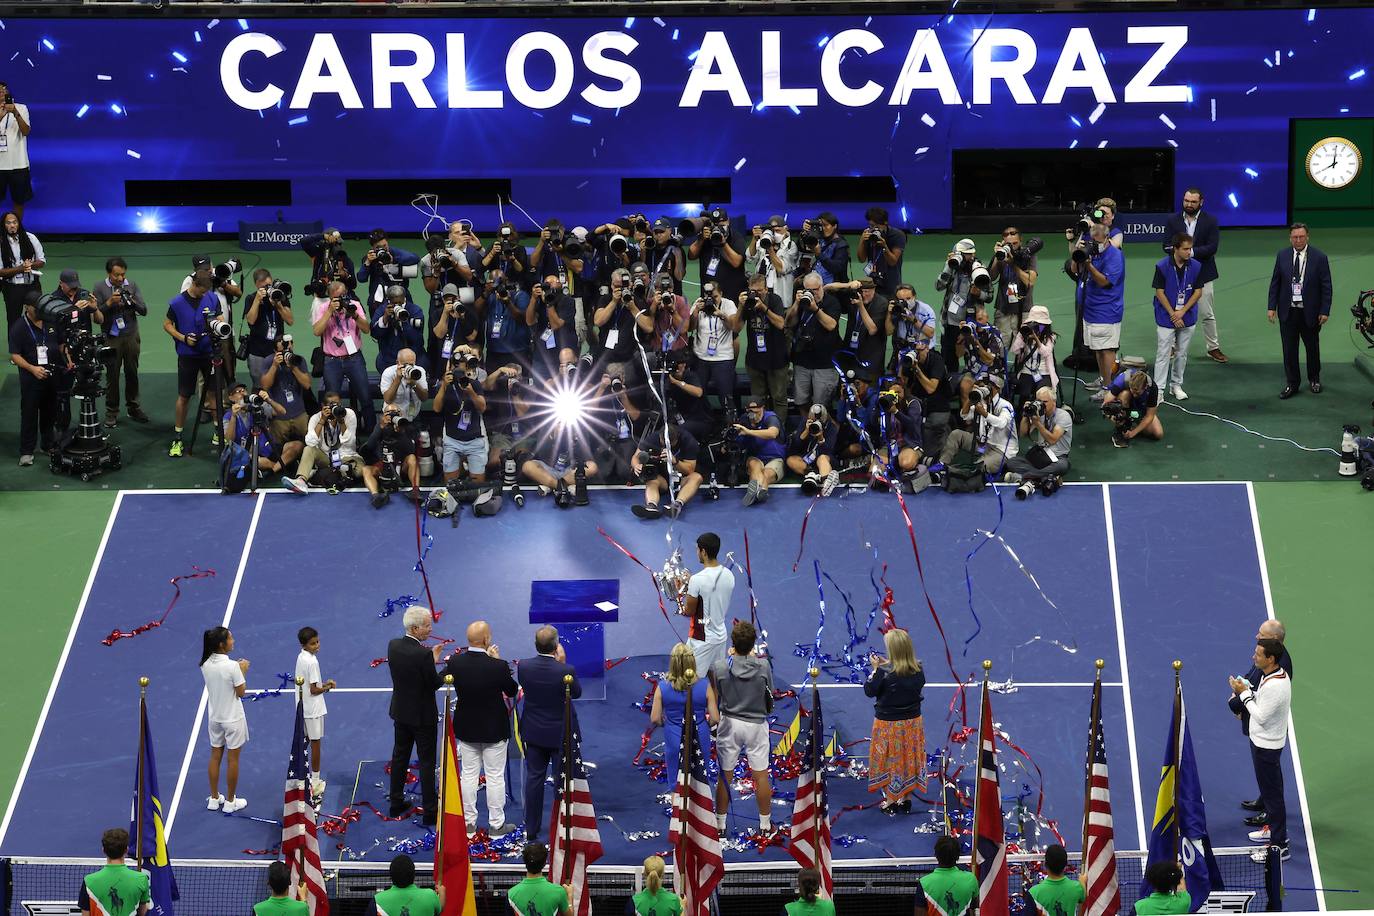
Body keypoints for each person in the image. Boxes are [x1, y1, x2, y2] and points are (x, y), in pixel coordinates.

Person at [443, 620, 519, 835]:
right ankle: (496, 825)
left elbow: (439, 679)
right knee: (495, 777)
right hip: (494, 729)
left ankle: (468, 823)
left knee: (468, 775)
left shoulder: (456, 662)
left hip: (467, 728)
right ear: (486, 639)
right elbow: (512, 691)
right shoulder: (498, 665)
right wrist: (496, 661)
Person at [517, 625, 582, 841]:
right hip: (559, 733)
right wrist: (561, 664)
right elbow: (576, 693)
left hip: (534, 732)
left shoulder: (524, 667)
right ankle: (562, 826)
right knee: (561, 780)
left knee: (534, 778)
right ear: (556, 646)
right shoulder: (565, 670)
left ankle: (532, 829)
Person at [710, 620, 774, 834]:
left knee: (725, 774)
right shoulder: (763, 666)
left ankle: (719, 824)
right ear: (753, 644)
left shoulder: (719, 667)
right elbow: (770, 695)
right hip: (756, 725)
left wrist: (732, 658)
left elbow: (716, 695)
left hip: (730, 724)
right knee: (761, 775)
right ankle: (765, 826)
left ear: (733, 643)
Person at [1231, 637, 1292, 862]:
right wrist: (1247, 690)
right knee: (1269, 795)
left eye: (1258, 654)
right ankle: (1272, 832)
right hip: (1263, 743)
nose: (1253, 657)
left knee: (1273, 799)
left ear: (1270, 659)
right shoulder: (1272, 676)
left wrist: (1243, 694)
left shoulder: (1276, 684)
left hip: (1267, 746)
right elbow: (1262, 704)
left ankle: (1279, 846)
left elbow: (1261, 716)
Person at [386, 606, 445, 824]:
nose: (430, 629)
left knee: (400, 756)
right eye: (427, 625)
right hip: (422, 717)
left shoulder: (393, 646)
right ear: (415, 628)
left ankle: (396, 803)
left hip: (401, 712)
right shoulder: (422, 655)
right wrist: (439, 664)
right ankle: (430, 812)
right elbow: (434, 684)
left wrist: (430, 659)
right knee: (427, 762)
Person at [864, 628, 926, 814]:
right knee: (909, 758)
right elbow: (903, 677)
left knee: (889, 759)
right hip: (912, 723)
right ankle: (906, 799)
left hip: (888, 725)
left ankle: (890, 800)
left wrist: (876, 669)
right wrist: (887, 664)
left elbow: (870, 691)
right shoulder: (918, 670)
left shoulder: (884, 675)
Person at [1267, 222, 1332, 399]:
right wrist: (1271, 307)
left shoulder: (1319, 257)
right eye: (1295, 237)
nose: (1298, 240)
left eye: (1301, 237)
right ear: (1290, 238)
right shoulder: (1282, 256)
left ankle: (1314, 378)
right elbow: (1275, 283)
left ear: (1307, 237)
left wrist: (1324, 310)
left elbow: (1326, 286)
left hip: (1310, 312)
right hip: (1288, 312)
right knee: (1289, 350)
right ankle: (1292, 383)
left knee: (1312, 348)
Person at [163, 273, 223, 458]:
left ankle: (218, 432)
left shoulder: (212, 298)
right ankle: (178, 437)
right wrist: (182, 338)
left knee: (214, 393)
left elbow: (220, 317)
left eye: (207, 292)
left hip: (209, 354)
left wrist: (219, 325)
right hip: (188, 355)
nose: (205, 295)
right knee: (184, 396)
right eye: (202, 291)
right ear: (194, 285)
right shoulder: (176, 303)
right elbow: (167, 324)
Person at [1164, 188, 1226, 363]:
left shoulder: (1210, 221)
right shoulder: (1172, 220)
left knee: (1207, 313)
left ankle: (1213, 348)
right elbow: (1166, 245)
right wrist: (1178, 253)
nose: (1189, 204)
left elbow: (1212, 247)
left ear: (1201, 202)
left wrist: (1189, 253)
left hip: (1203, 274)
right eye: (1186, 201)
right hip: (1177, 274)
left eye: (1193, 202)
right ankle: (1173, 346)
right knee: (1177, 311)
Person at [9, 289, 67, 466]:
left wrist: (67, 358)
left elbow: (61, 342)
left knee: (50, 413)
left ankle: (47, 445)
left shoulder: (51, 321)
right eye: (37, 308)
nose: (41, 310)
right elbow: (15, 355)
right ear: (27, 308)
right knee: (29, 414)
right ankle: (26, 451)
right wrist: (32, 368)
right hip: (31, 379)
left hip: (52, 376)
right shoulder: (19, 327)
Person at [1068, 222, 1126, 398]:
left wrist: (1089, 265)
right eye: (1092, 241)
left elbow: (1105, 282)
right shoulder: (1089, 251)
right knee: (1098, 350)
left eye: (1098, 241)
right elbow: (1074, 270)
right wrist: (1077, 255)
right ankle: (1104, 380)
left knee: (1107, 350)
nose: (1095, 244)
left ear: (1107, 239)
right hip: (1089, 309)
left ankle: (1109, 389)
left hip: (1107, 310)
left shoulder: (1115, 255)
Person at [311, 280, 375, 434]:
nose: (342, 299)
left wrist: (354, 315)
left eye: (344, 295)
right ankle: (334, 432)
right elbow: (317, 331)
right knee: (332, 400)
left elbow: (366, 329)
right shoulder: (322, 308)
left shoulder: (354, 305)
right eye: (338, 297)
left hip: (354, 359)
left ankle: (372, 431)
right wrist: (329, 312)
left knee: (365, 397)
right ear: (331, 296)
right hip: (332, 361)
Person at [650, 643, 717, 788]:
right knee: (700, 782)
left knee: (676, 783)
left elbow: (655, 718)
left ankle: (677, 810)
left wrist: (668, 723)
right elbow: (715, 718)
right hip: (700, 737)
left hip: (674, 737)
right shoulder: (705, 685)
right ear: (692, 662)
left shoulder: (662, 687)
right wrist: (703, 723)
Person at [94, 256, 150, 427]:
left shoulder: (131, 285)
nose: (120, 279)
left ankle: (133, 407)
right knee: (112, 376)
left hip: (131, 335)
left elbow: (144, 310)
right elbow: (96, 316)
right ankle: (112, 411)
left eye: (123, 275)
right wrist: (109, 303)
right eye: (116, 275)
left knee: (132, 372)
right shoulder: (99, 288)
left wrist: (131, 301)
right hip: (111, 338)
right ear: (109, 273)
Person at [200, 626, 249, 813]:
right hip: (233, 719)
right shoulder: (233, 667)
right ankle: (230, 802)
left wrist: (237, 669)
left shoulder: (205, 664)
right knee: (233, 760)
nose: (233, 641)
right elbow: (241, 692)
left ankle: (214, 799)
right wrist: (242, 671)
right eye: (230, 638)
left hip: (215, 718)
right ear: (222, 645)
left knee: (215, 756)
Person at [1152, 234, 1203, 401]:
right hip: (1166, 316)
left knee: (1182, 353)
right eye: (1186, 249)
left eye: (1190, 248)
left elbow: (1198, 292)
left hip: (1187, 316)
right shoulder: (1162, 266)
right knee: (1163, 353)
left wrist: (1182, 312)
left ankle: (1176, 385)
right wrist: (1173, 313)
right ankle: (1158, 390)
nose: (1189, 252)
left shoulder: (1196, 266)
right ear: (1176, 249)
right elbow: (1159, 292)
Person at [281, 390, 365, 493]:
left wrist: (341, 422)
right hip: (326, 458)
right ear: (323, 406)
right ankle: (301, 481)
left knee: (360, 472)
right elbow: (310, 443)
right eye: (331, 405)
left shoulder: (348, 414)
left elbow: (350, 443)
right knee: (309, 449)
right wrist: (322, 421)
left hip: (347, 456)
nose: (335, 408)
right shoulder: (316, 418)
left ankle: (319, 473)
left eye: (337, 405)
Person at [937, 373, 1017, 475]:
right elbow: (964, 416)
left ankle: (992, 465)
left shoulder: (1005, 405)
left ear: (996, 388)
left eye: (986, 386)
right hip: (983, 444)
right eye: (980, 385)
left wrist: (984, 413)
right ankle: (942, 464)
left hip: (1001, 450)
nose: (982, 388)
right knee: (956, 434)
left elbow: (1001, 423)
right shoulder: (982, 402)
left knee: (979, 468)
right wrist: (971, 397)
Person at [787, 272, 843, 415]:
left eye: (816, 290)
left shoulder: (832, 302)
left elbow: (831, 325)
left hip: (824, 363)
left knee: (821, 405)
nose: (813, 294)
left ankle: (823, 433)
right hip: (802, 361)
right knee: (800, 401)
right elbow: (788, 323)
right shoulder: (801, 303)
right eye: (809, 290)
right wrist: (795, 304)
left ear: (822, 286)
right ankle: (806, 429)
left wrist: (815, 309)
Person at [435, 345, 489, 487]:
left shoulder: (475, 384)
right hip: (452, 441)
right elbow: (436, 408)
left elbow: (482, 408)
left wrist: (470, 392)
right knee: (451, 485)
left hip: (474, 441)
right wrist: (443, 386)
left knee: (478, 486)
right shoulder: (447, 384)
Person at [1004, 387, 1072, 498]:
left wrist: (1037, 423)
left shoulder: (1063, 416)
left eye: (1045, 402)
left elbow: (1052, 439)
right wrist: (1026, 415)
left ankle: (1024, 477)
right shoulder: (1038, 413)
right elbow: (1023, 433)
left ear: (1054, 402)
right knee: (1011, 462)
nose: (1041, 405)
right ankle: (1045, 478)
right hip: (1040, 456)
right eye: (1039, 401)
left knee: (1063, 466)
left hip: (1057, 458)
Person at [740, 273, 789, 425]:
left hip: (776, 359)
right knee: (757, 399)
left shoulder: (775, 300)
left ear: (766, 289)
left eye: (759, 291)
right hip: (755, 360)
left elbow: (781, 324)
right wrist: (740, 307)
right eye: (753, 291)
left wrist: (764, 308)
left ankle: (777, 430)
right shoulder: (747, 302)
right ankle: (759, 428)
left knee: (778, 398)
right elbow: (735, 327)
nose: (756, 294)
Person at [684, 532, 735, 678]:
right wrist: (692, 584)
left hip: (701, 640)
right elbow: (711, 592)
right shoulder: (729, 574)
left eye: (697, 550)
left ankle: (690, 702)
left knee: (689, 679)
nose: (697, 553)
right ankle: (716, 702)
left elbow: (689, 611)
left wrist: (686, 593)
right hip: (721, 636)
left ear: (703, 552)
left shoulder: (696, 580)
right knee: (716, 678)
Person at [630, 422, 702, 520]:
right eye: (663, 442)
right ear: (660, 436)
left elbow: (690, 470)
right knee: (651, 479)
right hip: (662, 479)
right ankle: (651, 506)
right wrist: (636, 466)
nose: (665, 445)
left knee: (697, 477)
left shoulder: (688, 441)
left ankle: (677, 505)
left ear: (677, 438)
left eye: (670, 444)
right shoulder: (653, 438)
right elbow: (635, 456)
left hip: (680, 480)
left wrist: (675, 461)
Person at [295, 626, 334, 801]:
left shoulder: (301, 657)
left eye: (317, 641)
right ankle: (315, 783)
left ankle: (300, 778)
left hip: (303, 707)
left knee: (304, 743)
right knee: (316, 745)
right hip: (313, 709)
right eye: (312, 644)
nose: (317, 646)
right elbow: (313, 689)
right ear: (304, 644)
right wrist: (327, 686)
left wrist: (322, 685)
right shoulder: (312, 662)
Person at [261, 337, 310, 471]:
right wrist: (274, 366)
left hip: (299, 413)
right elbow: (265, 385)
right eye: (281, 351)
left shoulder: (298, 360)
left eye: (288, 349)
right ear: (274, 350)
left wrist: (293, 367)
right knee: (277, 448)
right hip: (279, 418)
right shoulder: (268, 361)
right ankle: (283, 465)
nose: (285, 353)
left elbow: (307, 384)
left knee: (309, 444)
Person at [242, 268, 295, 390]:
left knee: (280, 383)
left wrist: (278, 304)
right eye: (264, 287)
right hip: (257, 351)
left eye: (269, 285)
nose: (268, 289)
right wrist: (257, 300)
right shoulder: (251, 298)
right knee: (259, 385)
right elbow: (250, 320)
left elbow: (290, 321)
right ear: (257, 285)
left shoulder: (280, 296)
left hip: (278, 349)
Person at [78, 828, 150, 916]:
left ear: (103, 850)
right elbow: (143, 913)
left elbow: (85, 914)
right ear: (126, 850)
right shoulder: (142, 879)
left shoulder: (89, 881)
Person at [689, 280, 741, 399]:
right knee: (699, 396)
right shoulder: (699, 303)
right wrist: (696, 311)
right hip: (701, 358)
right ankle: (703, 417)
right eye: (709, 296)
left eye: (715, 297)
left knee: (726, 397)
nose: (711, 299)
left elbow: (733, 326)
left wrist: (721, 314)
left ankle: (729, 417)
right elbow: (690, 328)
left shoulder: (728, 304)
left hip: (723, 358)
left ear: (721, 293)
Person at [735, 396, 787, 506]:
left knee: (766, 474)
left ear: (762, 408)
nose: (753, 415)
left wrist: (749, 431)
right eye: (750, 411)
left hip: (775, 458)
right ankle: (759, 491)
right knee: (754, 465)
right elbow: (739, 440)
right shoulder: (744, 419)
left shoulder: (771, 417)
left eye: (756, 411)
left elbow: (772, 433)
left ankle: (759, 489)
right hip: (756, 457)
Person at [991, 226, 1039, 340]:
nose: (1011, 244)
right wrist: (997, 257)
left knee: (1023, 350)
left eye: (1014, 242)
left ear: (1020, 240)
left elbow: (1030, 281)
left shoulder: (1029, 255)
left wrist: (1013, 264)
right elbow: (992, 277)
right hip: (1003, 310)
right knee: (1000, 348)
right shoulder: (1001, 255)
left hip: (1024, 311)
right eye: (1008, 241)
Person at [0, 210, 43, 336]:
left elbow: (41, 261)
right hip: (12, 287)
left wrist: (31, 265)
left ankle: (38, 346)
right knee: (14, 320)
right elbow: (1, 271)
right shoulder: (1, 242)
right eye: (8, 223)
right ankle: (16, 352)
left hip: (32, 284)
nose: (12, 225)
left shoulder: (30, 238)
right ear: (3, 225)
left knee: (37, 315)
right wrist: (21, 268)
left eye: (14, 222)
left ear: (19, 224)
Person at [913, 835, 978, 916]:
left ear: (936, 855)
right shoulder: (971, 879)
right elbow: (974, 907)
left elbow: (919, 913)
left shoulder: (924, 883)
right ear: (958, 856)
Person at [786, 403, 841, 497]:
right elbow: (795, 445)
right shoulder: (805, 422)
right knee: (791, 460)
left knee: (822, 458)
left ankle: (825, 482)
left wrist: (820, 438)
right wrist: (806, 431)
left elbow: (828, 450)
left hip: (824, 458)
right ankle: (813, 474)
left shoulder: (831, 427)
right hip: (806, 461)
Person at [1008, 305, 1057, 407]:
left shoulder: (1050, 337)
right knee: (1024, 394)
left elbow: (1046, 353)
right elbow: (1015, 351)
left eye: (1039, 324)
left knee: (1041, 394)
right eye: (1034, 324)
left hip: (1044, 372)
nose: (1036, 327)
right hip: (1027, 371)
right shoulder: (1024, 335)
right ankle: (1022, 417)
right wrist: (1021, 336)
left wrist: (1036, 339)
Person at [508, 842, 572, 916]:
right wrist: (570, 897)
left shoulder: (511, 894)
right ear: (544, 863)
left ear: (525, 862)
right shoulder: (559, 892)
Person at [1103, 368, 1162, 448]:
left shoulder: (1152, 388)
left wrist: (1133, 433)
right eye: (1132, 391)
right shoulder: (1121, 381)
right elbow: (1105, 404)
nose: (1134, 395)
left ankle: (1133, 424)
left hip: (1141, 406)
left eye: (1137, 393)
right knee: (1125, 394)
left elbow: (1150, 415)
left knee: (1158, 433)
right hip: (1125, 401)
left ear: (1145, 387)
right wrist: (1112, 417)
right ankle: (1120, 429)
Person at [0, 83, 32, 221]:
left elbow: (25, 131)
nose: (1, 91)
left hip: (18, 165)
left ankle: (16, 233)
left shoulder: (21, 108)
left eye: (3, 89)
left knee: (19, 201)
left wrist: (15, 113)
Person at [374, 853, 443, 916]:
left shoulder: (377, 901)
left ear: (391, 877)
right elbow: (439, 910)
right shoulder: (430, 896)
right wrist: (442, 894)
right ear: (413, 875)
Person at [858, 206, 906, 297]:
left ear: (885, 223)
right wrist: (862, 241)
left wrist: (884, 246)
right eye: (871, 226)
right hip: (873, 280)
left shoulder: (897, 235)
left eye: (877, 226)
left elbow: (893, 261)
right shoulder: (869, 234)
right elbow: (861, 259)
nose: (874, 229)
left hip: (891, 281)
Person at [1026, 845, 1084, 916]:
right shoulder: (1077, 888)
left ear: (1045, 864)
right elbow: (1084, 898)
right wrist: (1083, 882)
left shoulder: (1033, 893)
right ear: (1066, 866)